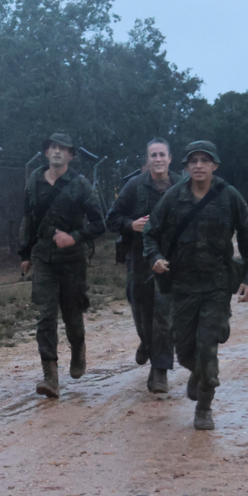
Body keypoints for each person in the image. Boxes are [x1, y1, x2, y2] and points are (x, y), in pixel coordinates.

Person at [143, 141, 248, 430]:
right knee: (184, 348)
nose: (198, 165)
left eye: (204, 160)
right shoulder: (174, 197)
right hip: (182, 285)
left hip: (217, 286)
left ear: (215, 166)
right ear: (185, 166)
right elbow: (150, 234)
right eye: (193, 161)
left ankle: (204, 407)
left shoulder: (229, 196)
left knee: (207, 345)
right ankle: (197, 373)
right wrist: (156, 258)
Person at [20, 133, 106, 398]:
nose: (57, 152)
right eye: (52, 147)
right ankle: (50, 376)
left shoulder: (80, 185)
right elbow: (29, 219)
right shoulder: (34, 180)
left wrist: (74, 237)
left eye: (63, 149)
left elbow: (99, 224)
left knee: (71, 314)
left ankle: (78, 349)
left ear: (70, 155)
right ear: (46, 153)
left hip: (72, 261)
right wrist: (25, 254)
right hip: (43, 258)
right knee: (46, 315)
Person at [106, 139, 181, 393]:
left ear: (170, 158)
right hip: (139, 260)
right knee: (141, 312)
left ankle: (159, 371)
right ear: (147, 160)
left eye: (162, 155)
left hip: (170, 261)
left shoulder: (182, 186)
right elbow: (112, 219)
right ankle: (146, 344)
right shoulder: (134, 186)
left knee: (164, 315)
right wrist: (131, 224)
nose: (158, 159)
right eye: (153, 155)